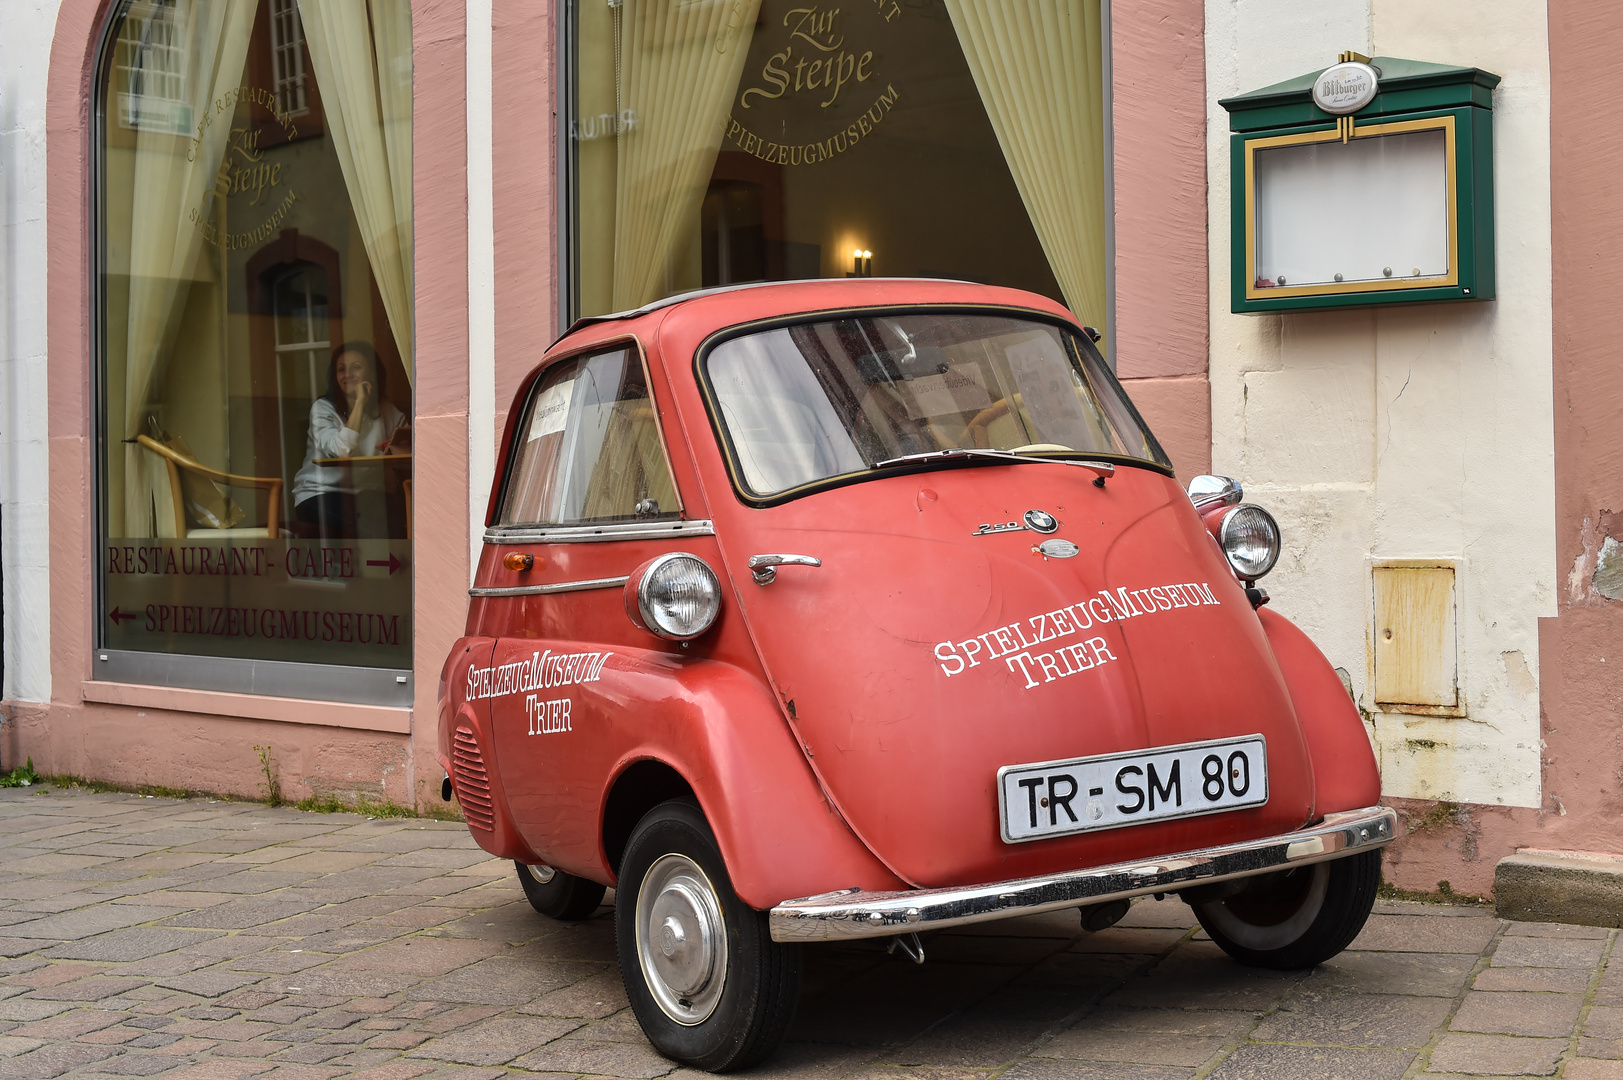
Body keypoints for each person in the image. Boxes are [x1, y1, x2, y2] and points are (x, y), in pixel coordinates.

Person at [292, 342, 411, 537]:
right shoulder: (322, 408)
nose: (347, 374)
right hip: (322, 494)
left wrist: (394, 448)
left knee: (404, 522)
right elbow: (342, 451)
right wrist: (360, 402)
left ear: (371, 373)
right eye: (341, 369)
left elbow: (411, 451)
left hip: (369, 496)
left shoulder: (387, 409)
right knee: (374, 530)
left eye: (356, 367)